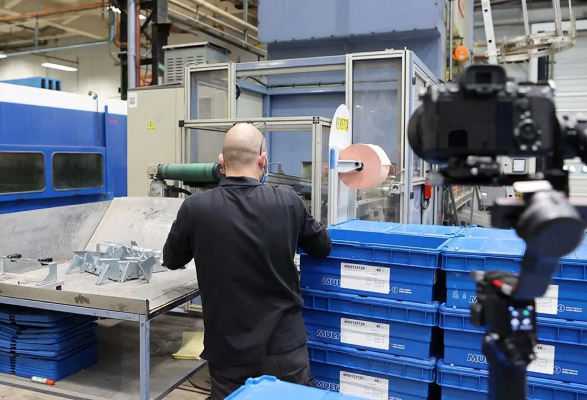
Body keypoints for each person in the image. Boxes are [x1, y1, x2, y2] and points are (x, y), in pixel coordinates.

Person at [163, 123, 332, 399]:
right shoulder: (288, 201)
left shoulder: (196, 208)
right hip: (284, 348)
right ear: (262, 160)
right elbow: (323, 246)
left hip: (227, 353)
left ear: (221, 163)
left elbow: (171, 259)